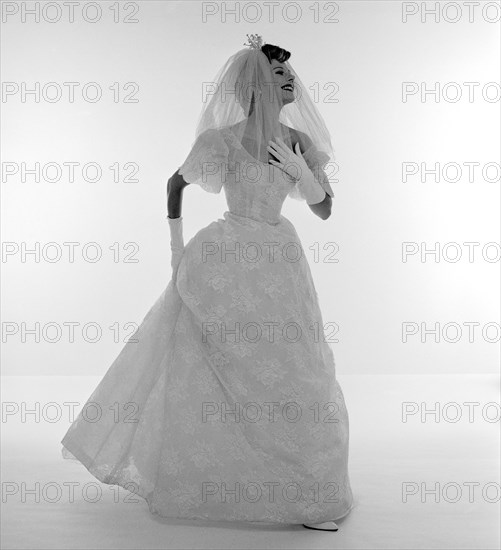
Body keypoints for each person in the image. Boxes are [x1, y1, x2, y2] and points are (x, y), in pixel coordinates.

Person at [61, 34, 355, 532]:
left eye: (291, 74)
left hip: (279, 260)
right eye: (280, 76)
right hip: (224, 259)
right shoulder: (220, 141)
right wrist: (176, 250)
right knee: (218, 366)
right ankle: (215, 476)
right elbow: (175, 183)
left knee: (295, 366)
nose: (292, 82)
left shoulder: (299, 141)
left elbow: (324, 210)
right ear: (256, 86)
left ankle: (309, 487)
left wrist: (306, 176)